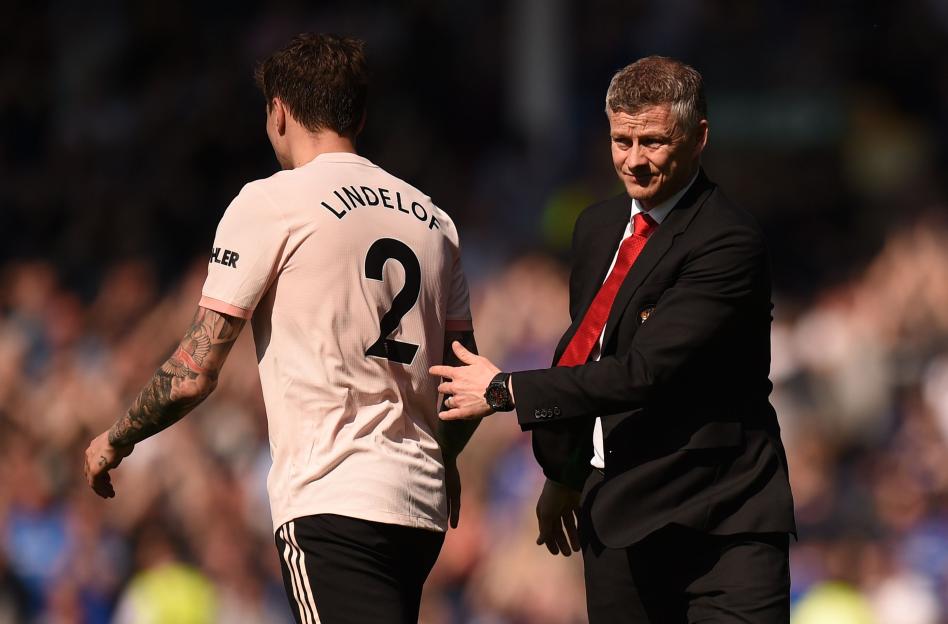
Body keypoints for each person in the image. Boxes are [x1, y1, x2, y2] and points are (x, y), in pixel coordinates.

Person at [83, 33, 479, 624]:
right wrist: (444, 461)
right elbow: (464, 379)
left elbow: (193, 373)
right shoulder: (434, 219)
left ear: (279, 112)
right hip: (418, 508)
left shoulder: (272, 201)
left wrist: (115, 438)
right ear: (360, 115)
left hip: (331, 498)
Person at [431, 56, 796, 623]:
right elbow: (591, 350)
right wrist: (566, 474)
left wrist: (504, 390)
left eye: (652, 141)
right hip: (620, 513)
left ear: (699, 138)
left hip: (721, 522)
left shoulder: (728, 240)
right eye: (621, 140)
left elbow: (641, 372)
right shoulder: (597, 227)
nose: (634, 160)